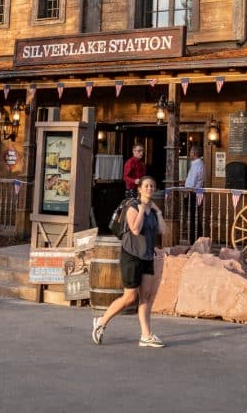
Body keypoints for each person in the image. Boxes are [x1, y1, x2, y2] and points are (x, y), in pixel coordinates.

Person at [92, 175, 168, 348]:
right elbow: (135, 229)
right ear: (140, 189)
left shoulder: (153, 211)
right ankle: (101, 322)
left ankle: (146, 335)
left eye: (152, 186)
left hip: (147, 256)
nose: (150, 189)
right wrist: (142, 210)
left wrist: (158, 212)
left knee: (146, 296)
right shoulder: (132, 207)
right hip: (131, 256)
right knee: (129, 297)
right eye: (147, 186)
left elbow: (163, 230)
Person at [183, 146, 206, 241]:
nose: (189, 154)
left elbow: (192, 182)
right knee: (194, 216)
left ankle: (194, 239)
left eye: (191, 153)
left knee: (192, 217)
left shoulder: (197, 165)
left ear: (194, 154)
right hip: (196, 193)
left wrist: (185, 192)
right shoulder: (199, 164)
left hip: (192, 193)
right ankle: (197, 237)